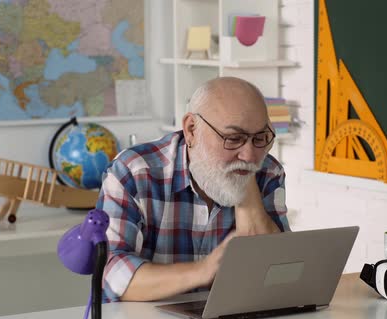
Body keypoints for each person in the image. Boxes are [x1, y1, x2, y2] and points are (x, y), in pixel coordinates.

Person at [96, 77, 290, 302]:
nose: (249, 155)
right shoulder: (133, 171)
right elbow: (111, 274)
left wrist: (245, 184)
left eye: (259, 138)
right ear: (191, 130)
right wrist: (203, 271)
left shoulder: (266, 171)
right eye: (234, 138)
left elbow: (279, 271)